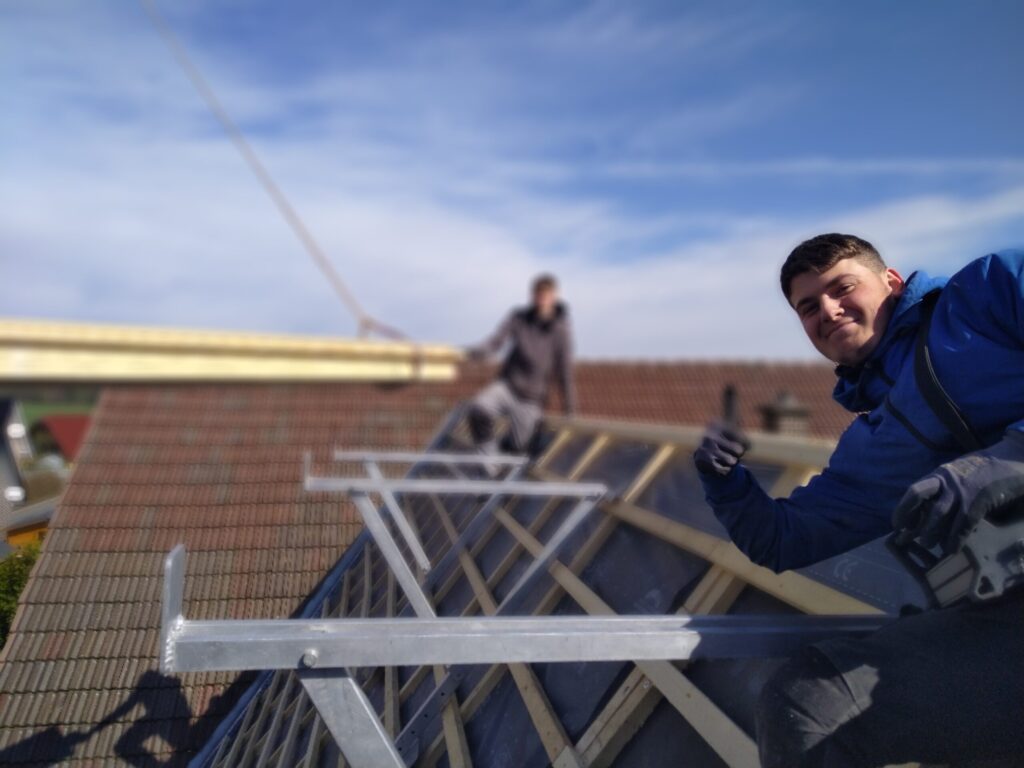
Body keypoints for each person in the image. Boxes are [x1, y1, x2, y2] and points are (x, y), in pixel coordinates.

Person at [693, 233, 1024, 767]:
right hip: (1008, 622)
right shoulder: (875, 447)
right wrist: (724, 481)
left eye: (841, 287)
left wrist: (1007, 459)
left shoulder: (991, 290)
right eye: (808, 307)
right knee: (810, 707)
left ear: (891, 281)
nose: (827, 310)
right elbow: (780, 539)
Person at [466, 274, 576, 457]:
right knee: (479, 409)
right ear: (532, 296)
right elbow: (495, 342)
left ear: (554, 297)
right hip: (508, 387)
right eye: (538, 295)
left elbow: (565, 372)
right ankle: (489, 461)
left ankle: (503, 458)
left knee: (519, 447)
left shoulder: (561, 330)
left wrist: (570, 411)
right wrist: (473, 352)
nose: (542, 300)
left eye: (546, 296)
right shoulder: (519, 318)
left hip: (532, 399)